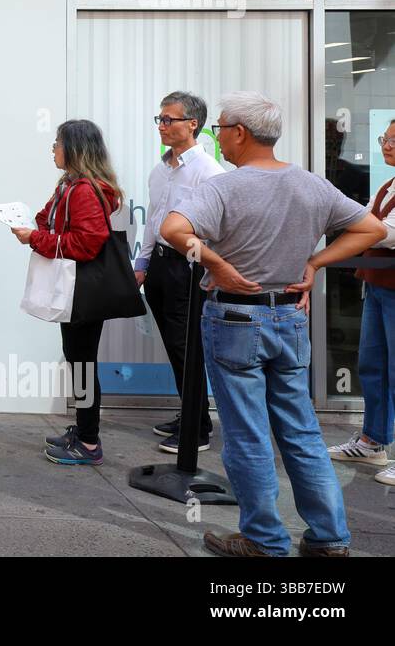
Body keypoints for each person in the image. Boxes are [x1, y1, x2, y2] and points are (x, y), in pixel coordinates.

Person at [160, 91, 385, 557]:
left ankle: (264, 539)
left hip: (235, 318)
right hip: (289, 316)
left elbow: (173, 231)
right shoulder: (310, 184)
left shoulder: (224, 186)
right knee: (302, 432)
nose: (217, 136)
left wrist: (215, 265)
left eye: (220, 128)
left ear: (239, 133)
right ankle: (328, 538)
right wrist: (316, 262)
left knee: (247, 434)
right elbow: (372, 230)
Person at [14, 119, 123, 466]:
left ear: (74, 148)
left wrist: (36, 239)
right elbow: (45, 216)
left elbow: (87, 243)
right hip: (75, 288)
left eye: (58, 143)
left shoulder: (85, 190)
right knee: (77, 358)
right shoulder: (69, 185)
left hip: (83, 290)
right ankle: (83, 428)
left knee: (83, 363)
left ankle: (89, 443)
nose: (53, 149)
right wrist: (41, 228)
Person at [134, 91, 224, 453]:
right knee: (175, 347)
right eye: (160, 119)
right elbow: (154, 220)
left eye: (169, 119)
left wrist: (209, 267)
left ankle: (197, 429)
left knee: (188, 348)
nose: (162, 126)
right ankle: (191, 411)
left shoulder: (208, 172)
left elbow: (216, 227)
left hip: (188, 266)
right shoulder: (161, 170)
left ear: (193, 124)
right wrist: (142, 263)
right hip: (160, 264)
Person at [327, 117, 395, 485]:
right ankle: (373, 440)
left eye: (393, 141)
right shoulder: (387, 184)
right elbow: (369, 221)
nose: (386, 145)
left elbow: (383, 232)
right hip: (378, 284)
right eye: (385, 138)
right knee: (372, 364)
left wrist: (364, 227)